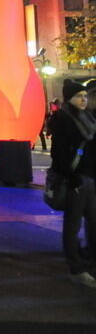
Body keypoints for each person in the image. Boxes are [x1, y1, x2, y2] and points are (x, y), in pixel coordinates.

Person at [49, 80, 96, 287]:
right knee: (73, 224)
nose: (83, 99)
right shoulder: (63, 119)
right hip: (75, 180)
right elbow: (58, 153)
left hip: (89, 177)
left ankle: (89, 260)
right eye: (79, 96)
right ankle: (76, 268)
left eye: (85, 96)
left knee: (93, 222)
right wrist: (71, 176)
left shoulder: (88, 117)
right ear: (69, 98)